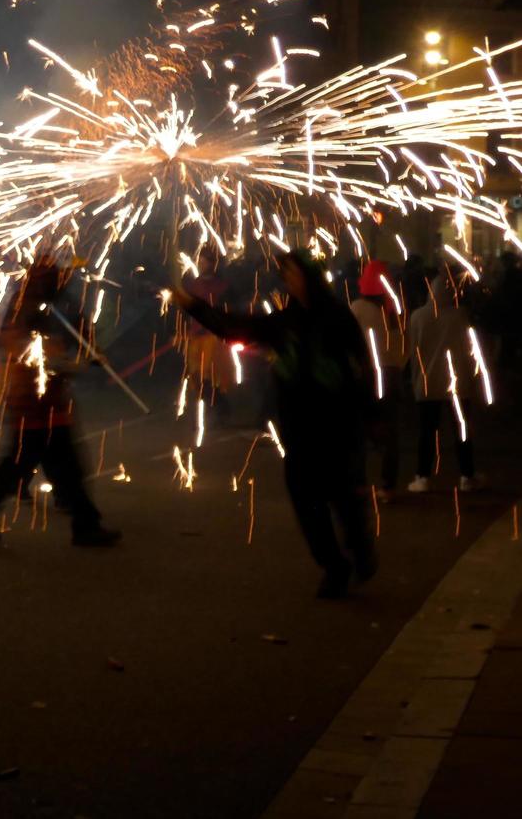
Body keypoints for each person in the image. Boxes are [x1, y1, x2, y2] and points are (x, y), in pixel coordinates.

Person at [174, 251, 375, 598]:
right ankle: (333, 566)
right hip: (298, 429)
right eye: (287, 275)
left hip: (336, 426)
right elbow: (234, 326)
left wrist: (369, 415)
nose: (290, 281)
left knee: (342, 497)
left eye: (295, 274)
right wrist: (192, 305)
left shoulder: (338, 318)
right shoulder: (285, 322)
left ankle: (360, 550)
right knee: (305, 500)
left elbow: (360, 368)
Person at [0, 260, 121, 548]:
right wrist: (79, 365)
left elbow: (66, 337)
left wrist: (87, 353)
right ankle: (85, 525)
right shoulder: (23, 311)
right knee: (31, 466)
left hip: (48, 403)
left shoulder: (44, 307)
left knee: (52, 467)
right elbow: (34, 357)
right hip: (33, 401)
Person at [406, 269, 482, 493]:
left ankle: (422, 476)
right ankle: (467, 476)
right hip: (457, 383)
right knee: (461, 430)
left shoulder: (418, 316)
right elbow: (470, 350)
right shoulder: (460, 315)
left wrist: (414, 380)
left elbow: (413, 351)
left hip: (428, 381)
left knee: (427, 432)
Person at [351, 261, 405, 498]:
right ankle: (388, 486)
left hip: (365, 374)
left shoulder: (357, 308)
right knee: (390, 430)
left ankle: (360, 482)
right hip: (390, 373)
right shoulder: (393, 308)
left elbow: (347, 341)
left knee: (359, 428)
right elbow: (405, 343)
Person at [183, 246, 234, 423]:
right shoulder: (194, 285)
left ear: (213, 264)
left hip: (213, 339)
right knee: (195, 377)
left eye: (206, 261)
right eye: (201, 261)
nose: (202, 264)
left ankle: (219, 408)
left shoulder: (222, 286)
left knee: (211, 378)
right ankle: (219, 408)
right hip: (196, 338)